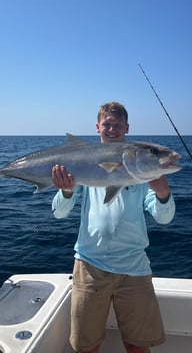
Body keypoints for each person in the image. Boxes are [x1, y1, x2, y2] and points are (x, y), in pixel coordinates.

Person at [51, 101, 175, 353]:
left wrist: (162, 190)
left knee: (138, 345)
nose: (112, 129)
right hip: (89, 265)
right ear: (98, 127)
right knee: (86, 346)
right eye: (107, 124)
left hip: (134, 268)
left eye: (118, 125)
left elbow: (164, 218)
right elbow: (59, 213)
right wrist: (65, 191)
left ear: (127, 128)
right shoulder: (83, 160)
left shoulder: (140, 171)